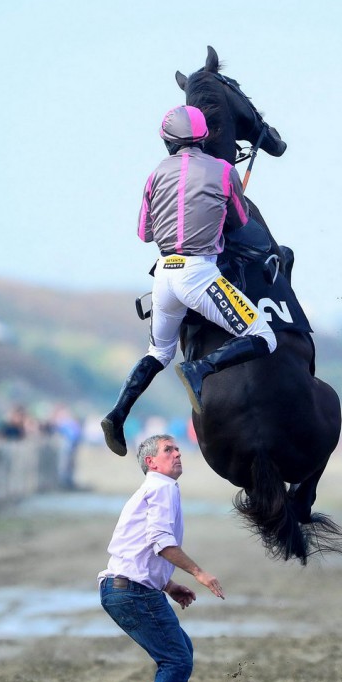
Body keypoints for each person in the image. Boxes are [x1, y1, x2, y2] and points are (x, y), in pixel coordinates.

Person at [101, 104, 277, 456]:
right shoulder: (224, 171)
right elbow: (240, 222)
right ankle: (201, 368)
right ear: (204, 136)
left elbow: (144, 233)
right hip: (199, 276)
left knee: (158, 352)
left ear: (167, 140)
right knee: (264, 336)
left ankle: (117, 414)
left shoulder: (154, 174)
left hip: (163, 277)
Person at [97, 434, 225, 682]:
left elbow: (139, 549)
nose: (178, 453)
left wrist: (168, 585)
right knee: (176, 659)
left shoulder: (158, 489)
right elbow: (161, 542)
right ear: (151, 462)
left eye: (178, 449)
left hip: (127, 587)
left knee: (182, 651)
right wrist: (198, 573)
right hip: (130, 591)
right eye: (169, 450)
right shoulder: (161, 487)